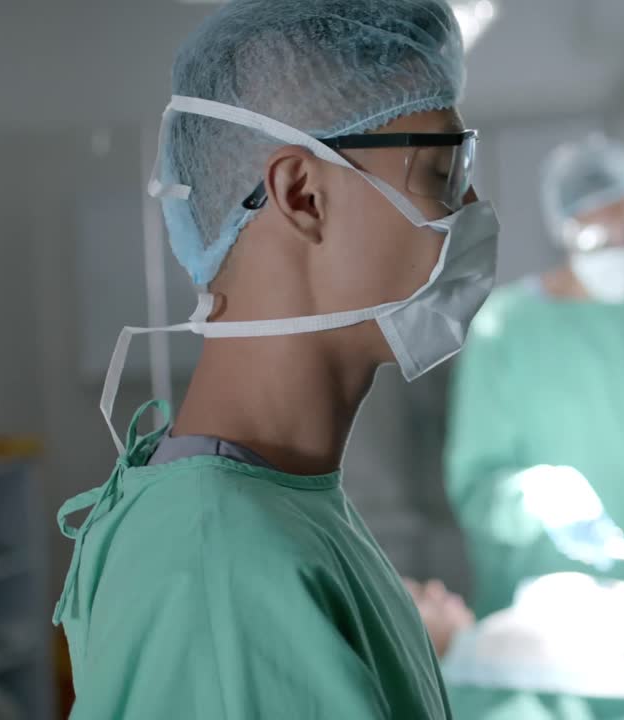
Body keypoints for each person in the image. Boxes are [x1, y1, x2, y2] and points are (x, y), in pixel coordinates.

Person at [52, 1, 499, 717]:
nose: (473, 209)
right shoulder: (224, 564)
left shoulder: (280, 502)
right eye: (442, 172)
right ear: (302, 195)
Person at [445, 134, 624, 617]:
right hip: (532, 610)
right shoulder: (504, 329)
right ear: (564, 230)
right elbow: (476, 490)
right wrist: (537, 499)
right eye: (598, 237)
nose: (618, 248)